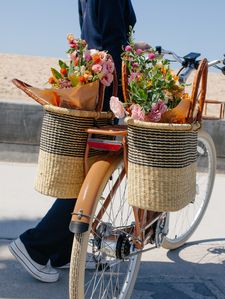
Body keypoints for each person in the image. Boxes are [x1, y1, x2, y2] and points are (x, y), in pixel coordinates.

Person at [8, 0, 137, 283]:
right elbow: (109, 40)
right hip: (106, 89)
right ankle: (35, 246)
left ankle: (63, 253)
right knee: (89, 173)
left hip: (97, 82)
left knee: (85, 170)